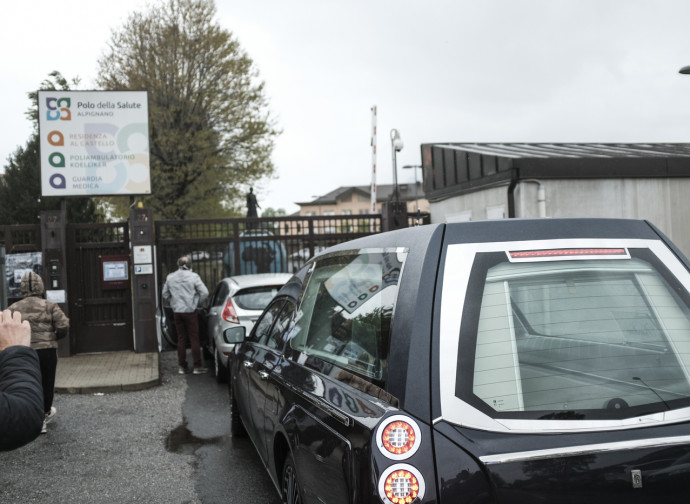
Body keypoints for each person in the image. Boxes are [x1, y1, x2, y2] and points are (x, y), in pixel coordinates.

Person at [9, 271, 69, 434]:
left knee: (27, 384)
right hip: (47, 350)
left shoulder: (14, 307)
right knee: (47, 383)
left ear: (22, 288)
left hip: (25, 351)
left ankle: (27, 416)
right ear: (41, 286)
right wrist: (55, 337)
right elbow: (63, 325)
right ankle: (43, 417)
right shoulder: (49, 306)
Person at [0, 309, 44, 450]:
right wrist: (13, 350)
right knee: (45, 383)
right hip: (43, 345)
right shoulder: (48, 306)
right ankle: (47, 411)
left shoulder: (17, 304)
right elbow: (22, 416)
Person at [162, 256, 209, 375]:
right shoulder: (194, 277)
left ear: (178, 265)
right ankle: (197, 366)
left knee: (181, 338)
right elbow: (205, 293)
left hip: (177, 311)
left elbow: (165, 294)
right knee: (194, 338)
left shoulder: (170, 277)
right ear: (190, 265)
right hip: (190, 311)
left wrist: (173, 302)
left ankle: (182, 367)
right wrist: (196, 303)